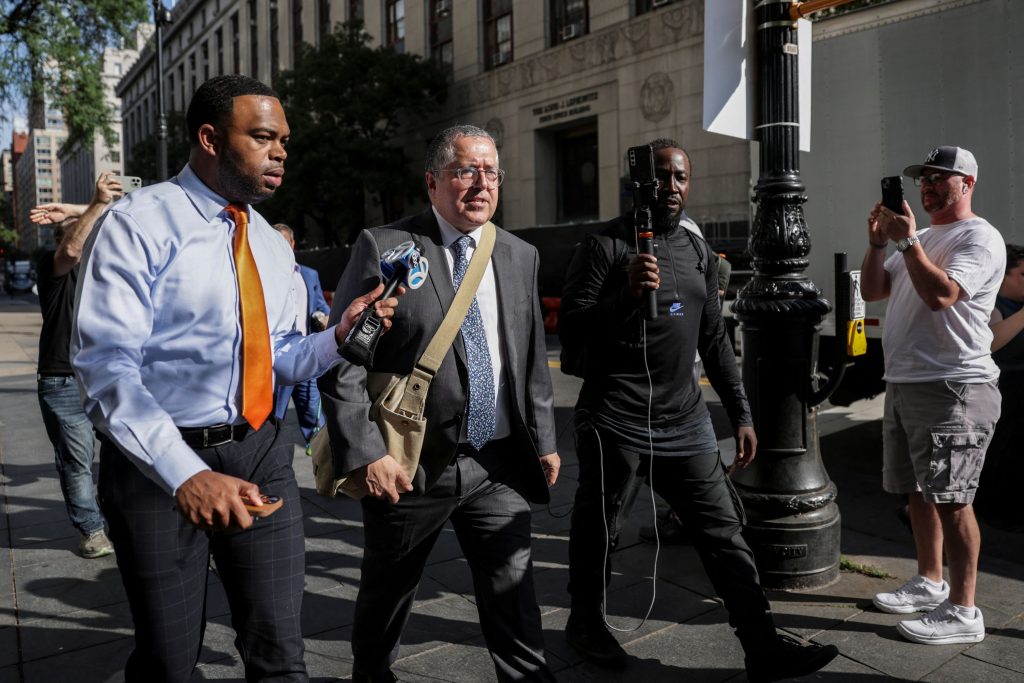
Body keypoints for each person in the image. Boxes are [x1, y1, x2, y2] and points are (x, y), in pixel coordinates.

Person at [70, 75, 401, 682]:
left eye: (284, 141)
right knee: (169, 663)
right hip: (157, 470)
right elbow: (105, 365)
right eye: (263, 137)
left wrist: (337, 336)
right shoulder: (137, 224)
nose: (280, 153)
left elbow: (281, 358)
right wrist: (185, 474)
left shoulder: (272, 245)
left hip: (262, 454)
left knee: (281, 655)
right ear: (210, 138)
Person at [559, 138, 838, 681]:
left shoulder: (697, 252)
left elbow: (714, 341)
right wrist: (624, 296)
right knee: (600, 528)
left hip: (685, 421)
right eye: (662, 175)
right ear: (639, 182)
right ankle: (585, 623)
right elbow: (571, 328)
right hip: (615, 418)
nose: (671, 186)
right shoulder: (604, 246)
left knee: (724, 532)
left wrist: (741, 413)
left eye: (681, 177)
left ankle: (762, 645)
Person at [319, 124, 560, 683]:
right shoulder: (387, 246)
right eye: (465, 170)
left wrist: (544, 439)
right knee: (388, 594)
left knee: (515, 599)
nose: (482, 183)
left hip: (495, 463)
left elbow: (529, 357)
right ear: (432, 182)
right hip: (410, 465)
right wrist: (366, 452)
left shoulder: (519, 254)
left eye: (491, 172)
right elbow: (343, 359)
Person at [861, 146, 1004, 644]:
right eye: (923, 179)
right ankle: (929, 581)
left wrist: (906, 243)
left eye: (940, 178)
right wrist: (877, 243)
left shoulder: (979, 237)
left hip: (953, 385)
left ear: (967, 184)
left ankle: (964, 611)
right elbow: (874, 291)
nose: (927, 186)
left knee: (953, 498)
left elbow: (942, 295)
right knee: (918, 492)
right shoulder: (918, 237)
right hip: (906, 382)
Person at [32, 171, 123, 559]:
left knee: (127, 453)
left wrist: (74, 208)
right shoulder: (53, 267)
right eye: (80, 233)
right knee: (77, 462)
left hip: (106, 377)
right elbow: (70, 250)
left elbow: (128, 218)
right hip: (63, 381)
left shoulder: (103, 271)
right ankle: (92, 531)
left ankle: (120, 517)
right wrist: (96, 203)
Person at [974, 244, 1024, 531]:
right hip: (1004, 389)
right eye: (1023, 275)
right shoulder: (993, 306)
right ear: (1003, 276)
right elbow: (992, 343)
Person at [271, 222, 331, 455]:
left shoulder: (309, 274)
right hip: (279, 358)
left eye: (284, 242)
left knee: (313, 412)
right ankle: (272, 455)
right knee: (275, 415)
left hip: (307, 353)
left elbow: (321, 306)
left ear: (293, 244)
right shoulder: (266, 274)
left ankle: (321, 457)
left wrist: (323, 317)